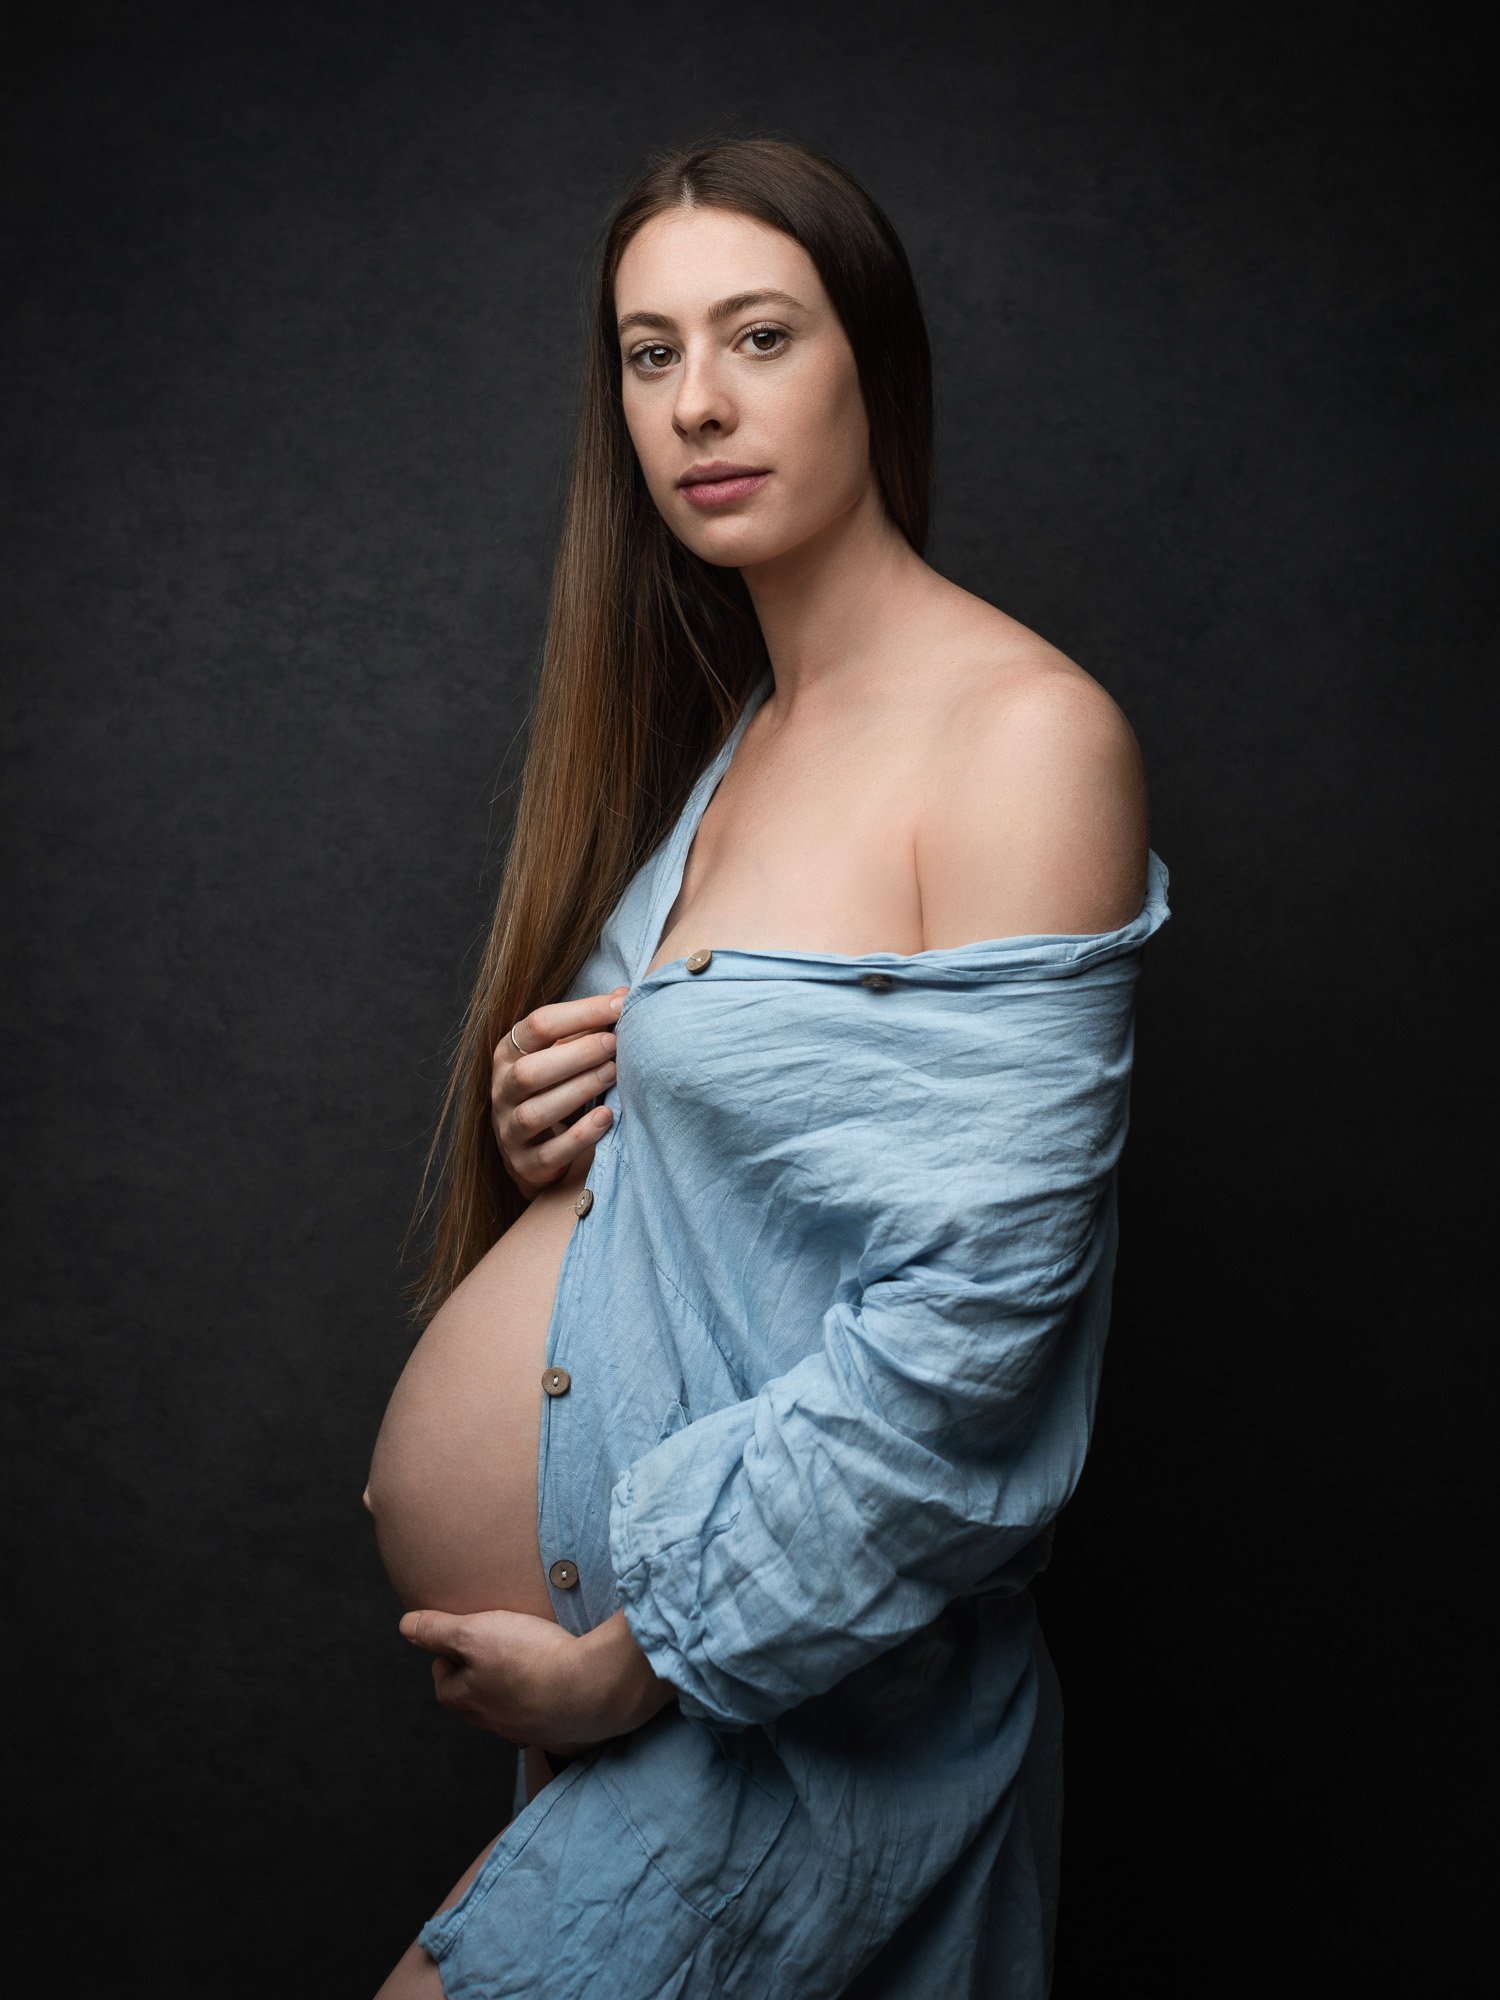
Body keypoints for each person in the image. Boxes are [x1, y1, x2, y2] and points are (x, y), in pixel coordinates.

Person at [368, 132, 1170, 1998]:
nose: (698, 404)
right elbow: (761, 1168)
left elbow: (977, 1344)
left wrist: (631, 1659)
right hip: (657, 1709)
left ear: (871, 363)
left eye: (758, 335)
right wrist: (555, 1132)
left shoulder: (1025, 740)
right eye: (649, 355)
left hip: (784, 1711)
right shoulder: (751, 734)